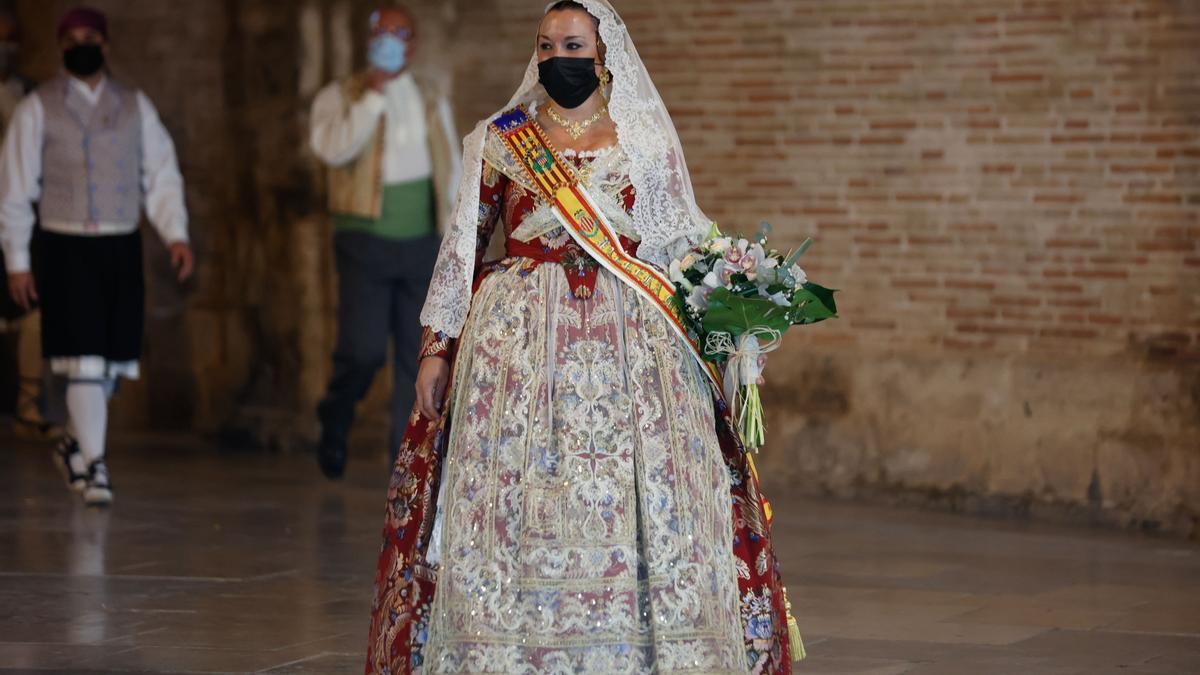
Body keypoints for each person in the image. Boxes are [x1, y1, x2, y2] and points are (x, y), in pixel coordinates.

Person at [364, 1, 802, 672]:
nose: (555, 58)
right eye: (544, 45)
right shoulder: (500, 138)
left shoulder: (644, 138)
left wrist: (736, 320)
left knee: (636, 494)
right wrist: (436, 346)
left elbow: (682, 246)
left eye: (570, 44)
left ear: (603, 54)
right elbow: (459, 250)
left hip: (635, 348)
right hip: (515, 353)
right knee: (519, 496)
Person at [0, 6, 194, 506]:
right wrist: (17, 259)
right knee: (83, 355)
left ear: (105, 44)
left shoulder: (134, 104)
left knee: (112, 361)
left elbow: (161, 173)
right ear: (61, 45)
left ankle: (73, 445)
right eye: (73, 37)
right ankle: (95, 464)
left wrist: (175, 234)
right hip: (63, 247)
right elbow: (15, 188)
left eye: (91, 36)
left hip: (119, 243)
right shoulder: (37, 106)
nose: (82, 43)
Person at [309, 6, 461, 479]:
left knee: (413, 359)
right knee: (363, 350)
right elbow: (332, 149)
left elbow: (452, 167)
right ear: (369, 39)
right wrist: (372, 97)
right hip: (364, 241)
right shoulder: (340, 96)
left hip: (421, 242)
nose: (391, 41)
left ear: (413, 45)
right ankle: (335, 415)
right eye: (382, 33)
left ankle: (405, 462)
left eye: (401, 35)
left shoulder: (432, 96)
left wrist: (456, 233)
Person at [0, 9, 56, 441]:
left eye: (11, 39)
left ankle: (28, 403)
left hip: (23, 216)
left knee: (33, 310)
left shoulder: (33, 97)